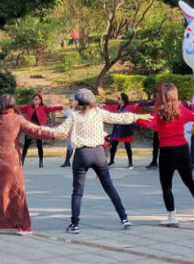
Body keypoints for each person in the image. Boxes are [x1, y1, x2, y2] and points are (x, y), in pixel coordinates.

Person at [0, 94, 65, 235]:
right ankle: (22, 225)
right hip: (12, 161)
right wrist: (54, 134)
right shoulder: (18, 119)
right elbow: (36, 130)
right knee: (16, 192)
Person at [51, 88, 151, 234]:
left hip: (82, 154)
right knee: (109, 187)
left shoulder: (74, 116)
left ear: (78, 102)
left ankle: (75, 224)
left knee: (77, 192)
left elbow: (60, 130)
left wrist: (46, 132)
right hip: (99, 153)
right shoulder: (99, 113)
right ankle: (124, 218)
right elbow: (120, 118)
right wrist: (137, 117)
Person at [139, 84, 194, 226]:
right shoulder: (181, 110)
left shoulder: (159, 113)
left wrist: (135, 118)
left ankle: (172, 216)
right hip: (182, 149)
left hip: (167, 150)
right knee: (189, 180)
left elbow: (148, 124)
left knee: (166, 186)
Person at [19, 93, 62, 167]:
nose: (35, 100)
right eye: (34, 99)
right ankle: (22, 161)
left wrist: (61, 107)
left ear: (40, 100)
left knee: (39, 146)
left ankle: (41, 161)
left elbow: (52, 109)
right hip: (30, 129)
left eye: (37, 99)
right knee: (26, 146)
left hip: (39, 130)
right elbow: (20, 108)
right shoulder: (29, 107)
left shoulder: (43, 107)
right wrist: (10, 107)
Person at [105, 93, 142, 169]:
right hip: (117, 130)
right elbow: (109, 107)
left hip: (126, 130)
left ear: (123, 100)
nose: (117, 99)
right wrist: (101, 106)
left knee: (127, 147)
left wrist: (141, 104)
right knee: (113, 146)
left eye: (119, 98)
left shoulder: (130, 107)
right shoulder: (117, 107)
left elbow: (138, 108)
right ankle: (112, 161)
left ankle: (130, 163)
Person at [60, 95, 77, 167]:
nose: (70, 102)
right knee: (70, 146)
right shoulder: (68, 111)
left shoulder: (79, 110)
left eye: (72, 100)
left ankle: (77, 162)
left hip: (79, 131)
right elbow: (61, 110)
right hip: (71, 132)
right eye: (69, 100)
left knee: (80, 147)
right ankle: (67, 161)